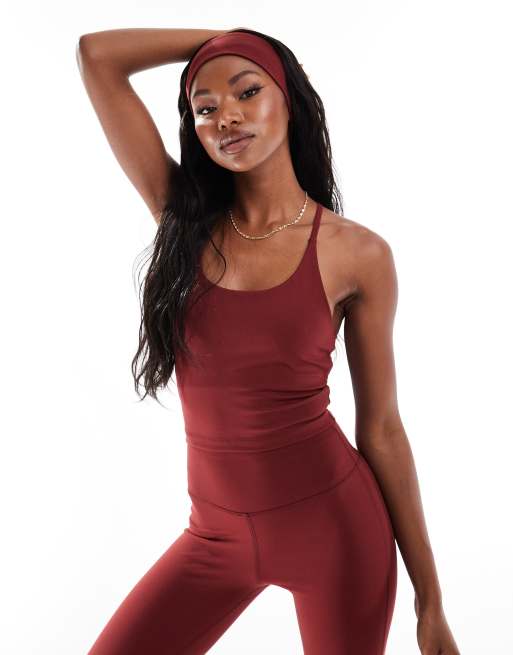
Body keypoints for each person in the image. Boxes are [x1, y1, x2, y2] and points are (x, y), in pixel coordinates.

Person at [76, 27, 461, 655]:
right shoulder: (183, 224)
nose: (225, 116)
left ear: (290, 100)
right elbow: (97, 56)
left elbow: (383, 429)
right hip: (214, 539)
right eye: (204, 108)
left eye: (248, 91)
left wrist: (430, 600)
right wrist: (228, 41)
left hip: (336, 534)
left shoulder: (357, 254)